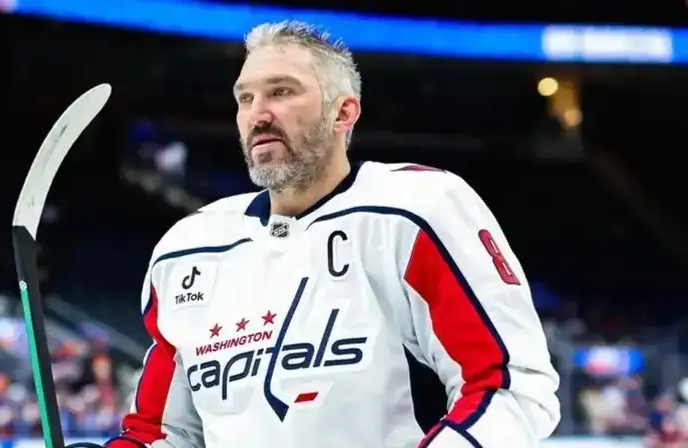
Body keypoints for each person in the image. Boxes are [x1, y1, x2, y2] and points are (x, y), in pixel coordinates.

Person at [97, 20, 560, 448]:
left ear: (343, 113)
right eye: (245, 98)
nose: (258, 114)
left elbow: (509, 385)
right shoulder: (187, 250)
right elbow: (162, 434)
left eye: (281, 92)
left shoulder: (414, 210)